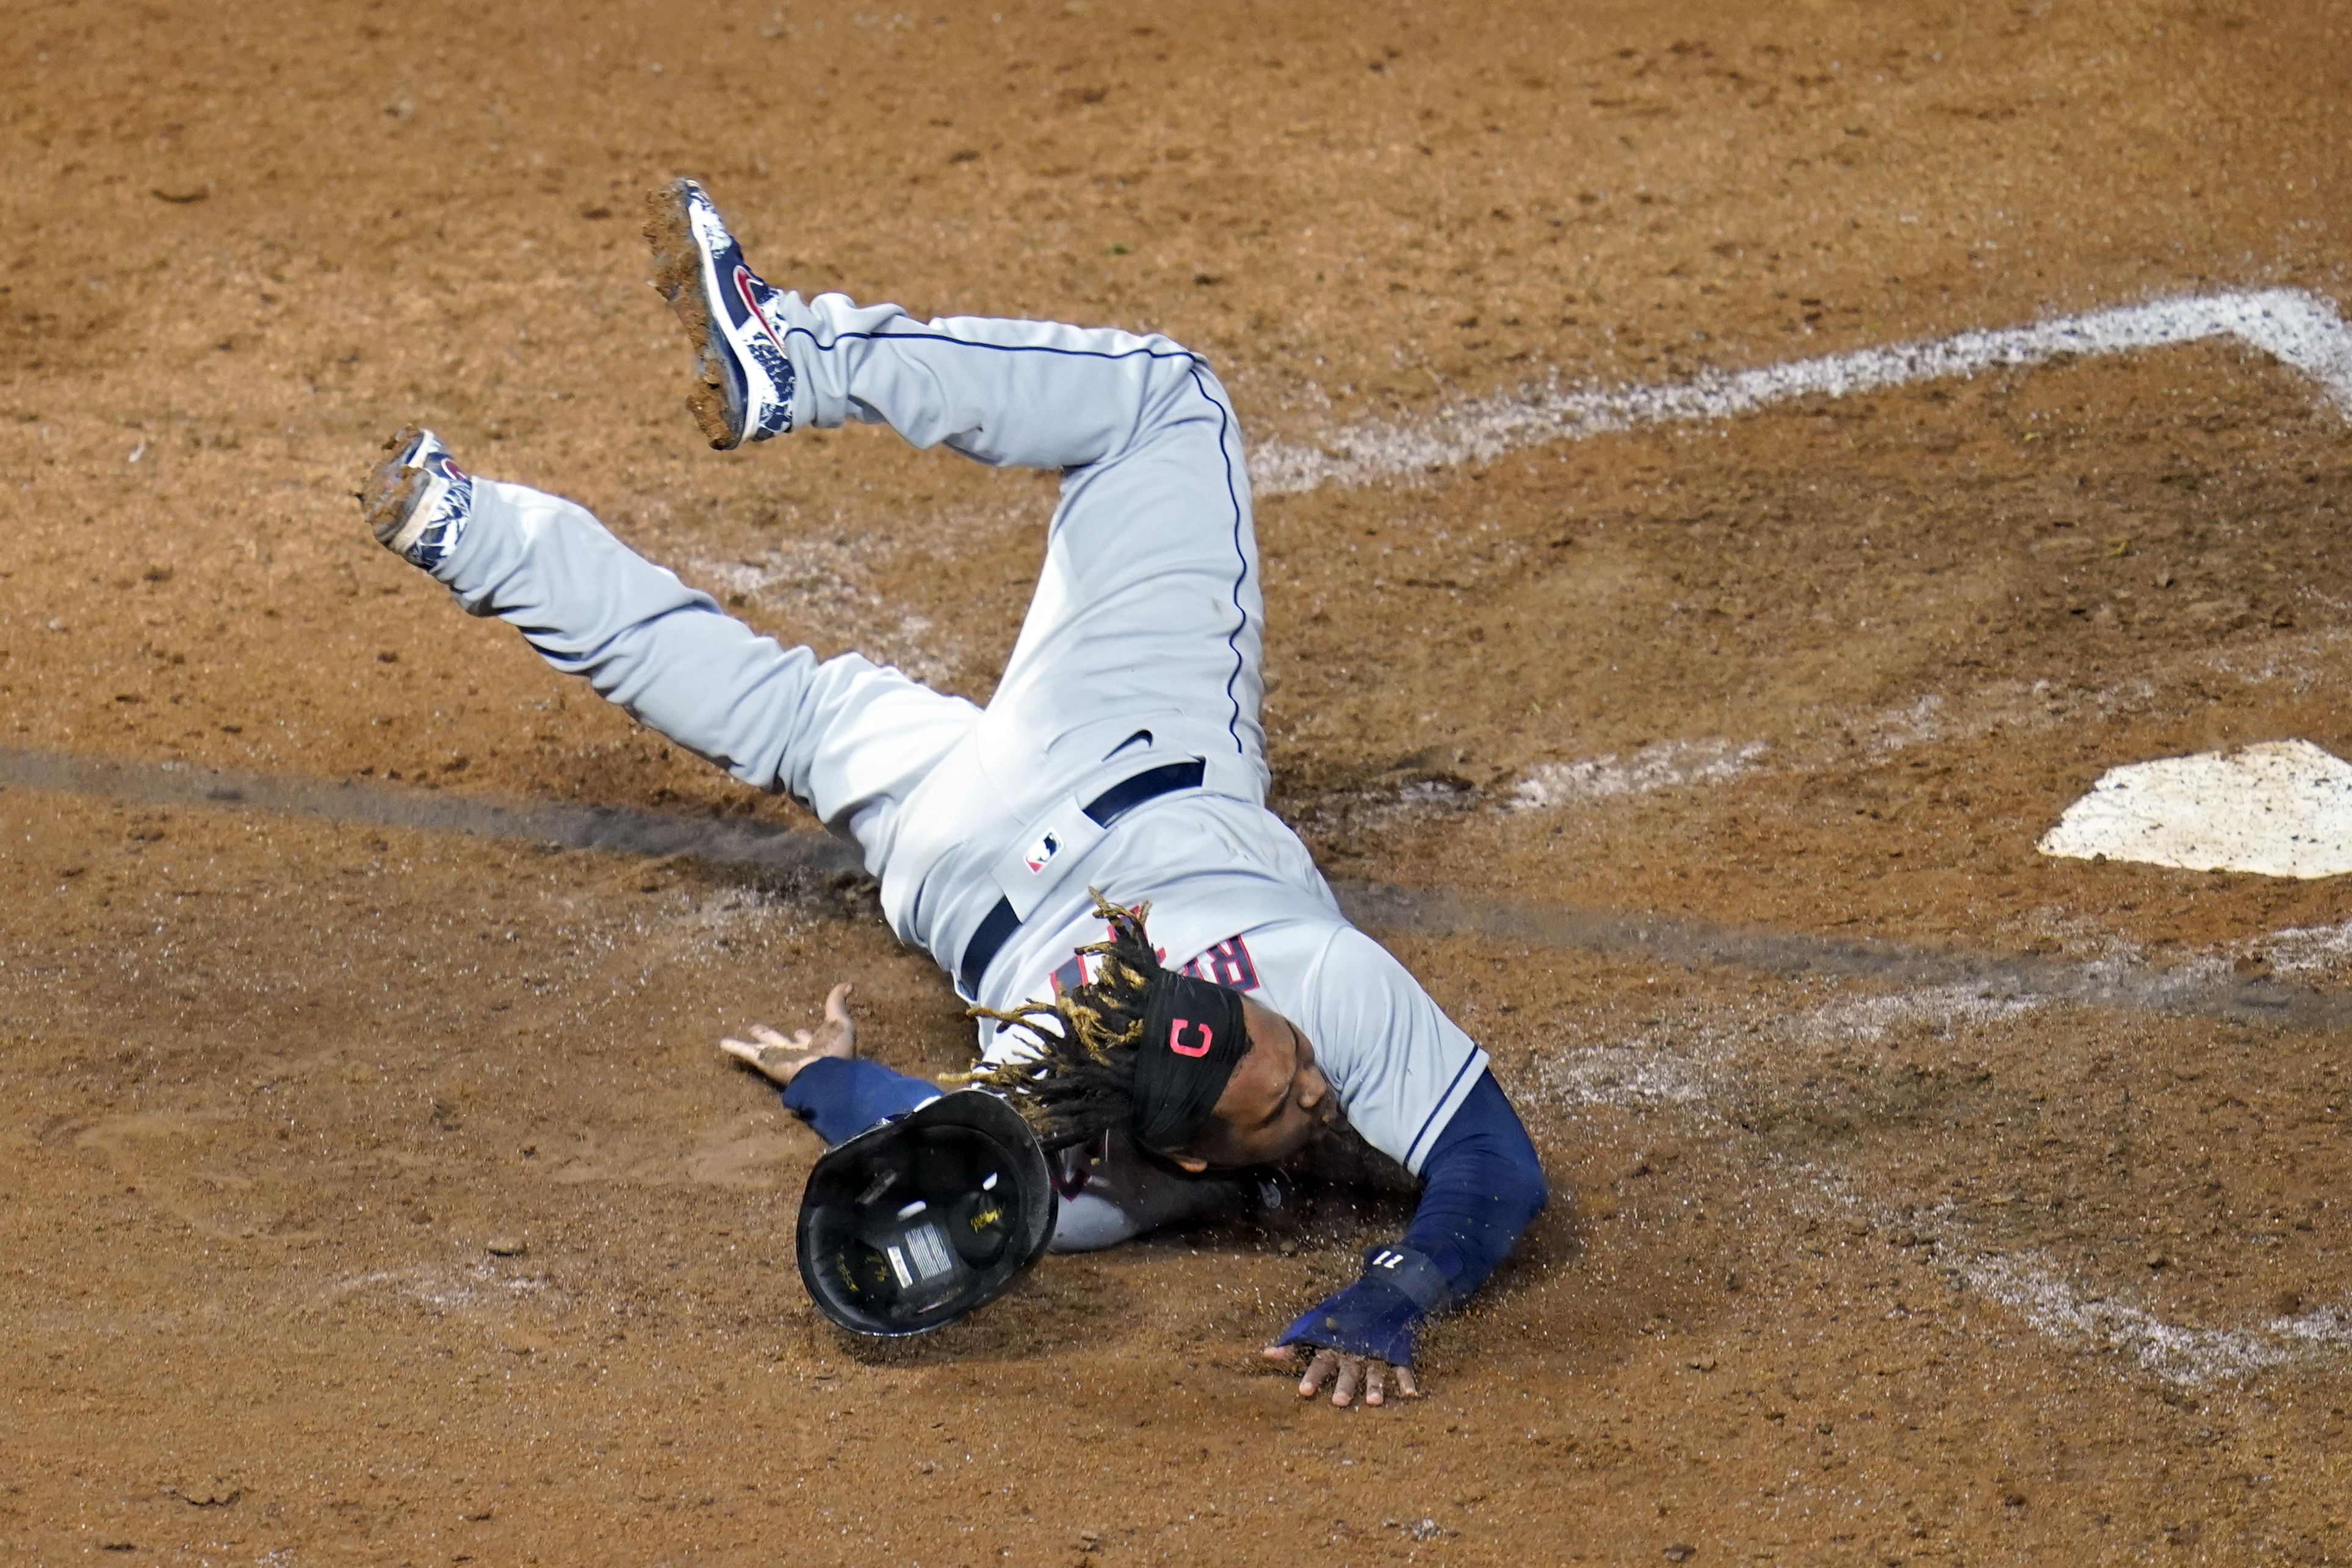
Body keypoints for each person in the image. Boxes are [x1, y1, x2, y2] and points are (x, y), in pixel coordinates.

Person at [359, 178, 1547, 1409]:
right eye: (1294, 1086)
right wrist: (1395, 1289)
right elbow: (1487, 1169)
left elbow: (909, 1130)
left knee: (1160, 407)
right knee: (798, 707)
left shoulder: (1120, 1148)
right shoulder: (1301, 998)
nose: (1320, 1082)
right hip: (965, 865)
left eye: (1291, 1071)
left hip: (1082, 768)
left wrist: (834, 1082)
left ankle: (715, 403)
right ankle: (475, 528)